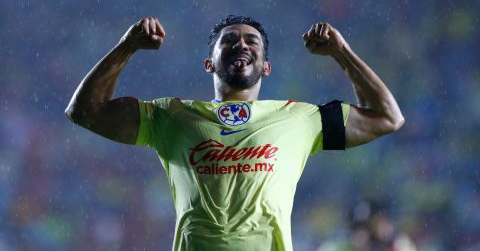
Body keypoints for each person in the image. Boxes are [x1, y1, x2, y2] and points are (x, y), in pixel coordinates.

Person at [65, 15, 404, 251]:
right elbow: (84, 111)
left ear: (266, 66)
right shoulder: (170, 115)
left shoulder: (299, 118)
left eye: (251, 41)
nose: (241, 44)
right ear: (208, 63)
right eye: (229, 40)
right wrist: (127, 46)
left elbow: (387, 116)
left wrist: (341, 52)